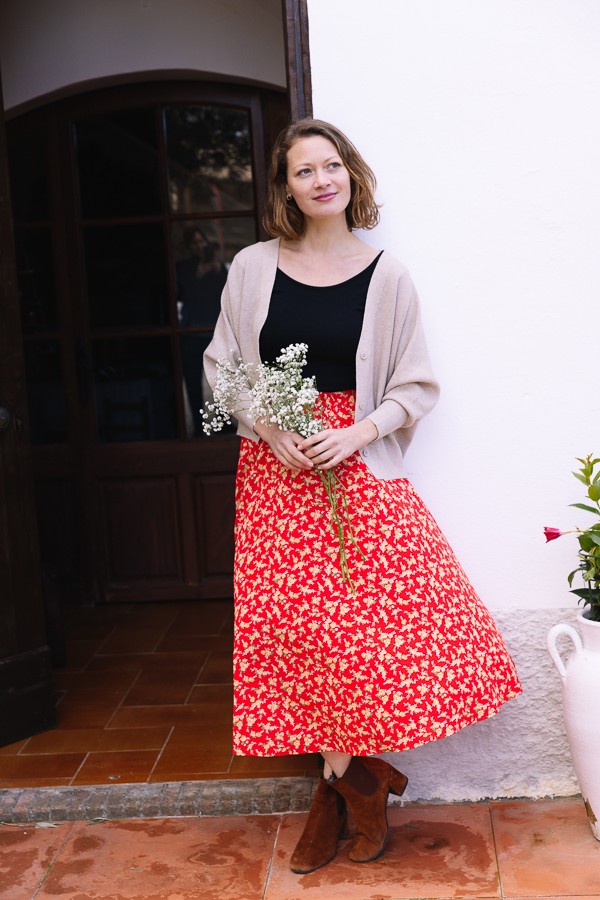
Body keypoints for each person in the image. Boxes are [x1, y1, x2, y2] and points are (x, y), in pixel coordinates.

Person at [203, 119, 522, 874]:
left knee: (366, 630)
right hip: (277, 473)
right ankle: (357, 786)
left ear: (351, 175)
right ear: (285, 187)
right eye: (303, 171)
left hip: (358, 465)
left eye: (331, 165)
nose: (321, 180)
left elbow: (417, 385)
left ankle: (342, 789)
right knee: (305, 635)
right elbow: (223, 368)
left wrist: (358, 432)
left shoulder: (387, 276)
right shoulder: (252, 267)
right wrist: (266, 425)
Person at [176, 226, 228, 435]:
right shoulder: (183, 268)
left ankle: (223, 420)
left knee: (222, 379)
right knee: (192, 380)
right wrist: (197, 275)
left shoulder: (216, 266)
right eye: (195, 243)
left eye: (202, 241)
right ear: (189, 247)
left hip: (214, 329)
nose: (200, 246)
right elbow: (180, 295)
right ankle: (198, 426)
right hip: (190, 331)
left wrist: (216, 271)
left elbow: (226, 294)